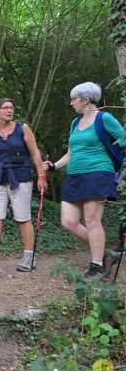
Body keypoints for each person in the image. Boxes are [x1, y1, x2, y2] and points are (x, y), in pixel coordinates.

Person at [44, 82, 126, 280]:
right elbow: (71, 152)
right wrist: (54, 165)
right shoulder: (75, 123)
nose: (71, 103)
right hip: (74, 175)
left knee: (91, 220)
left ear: (86, 99)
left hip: (98, 173)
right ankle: (106, 255)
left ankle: (96, 265)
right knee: (68, 221)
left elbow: (124, 141)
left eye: (74, 99)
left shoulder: (104, 118)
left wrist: (121, 175)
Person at [0, 97, 47, 272]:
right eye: (5, 108)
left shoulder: (23, 129)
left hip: (20, 178)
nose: (9, 111)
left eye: (11, 108)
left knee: (23, 218)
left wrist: (41, 176)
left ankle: (29, 255)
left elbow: (35, 153)